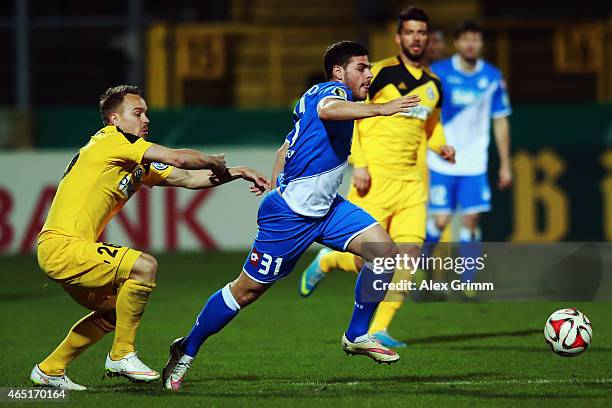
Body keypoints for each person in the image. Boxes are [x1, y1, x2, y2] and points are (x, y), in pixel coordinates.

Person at [162, 41, 422, 391]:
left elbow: (287, 146)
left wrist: (274, 184)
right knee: (246, 292)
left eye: (370, 67)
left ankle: (357, 334)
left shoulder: (315, 97)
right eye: (362, 67)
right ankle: (186, 349)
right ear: (339, 72)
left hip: (328, 209)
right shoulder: (332, 92)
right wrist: (383, 108)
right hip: (292, 217)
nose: (370, 74)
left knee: (385, 253)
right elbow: (331, 110)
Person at [31, 85, 270, 390]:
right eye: (137, 113)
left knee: (115, 310)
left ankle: (50, 369)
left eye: (146, 112)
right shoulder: (111, 141)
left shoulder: (133, 157)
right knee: (144, 266)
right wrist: (213, 160)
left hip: (71, 249)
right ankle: (121, 354)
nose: (146, 119)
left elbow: (186, 178)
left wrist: (236, 171)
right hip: (62, 246)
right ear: (114, 120)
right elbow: (180, 160)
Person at [299, 7, 455, 348]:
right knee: (366, 258)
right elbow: (354, 117)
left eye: (422, 33)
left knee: (409, 257)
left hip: (412, 184)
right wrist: (362, 163)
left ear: (428, 39)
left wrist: (442, 146)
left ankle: (379, 328)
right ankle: (331, 260)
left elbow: (432, 125)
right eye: (410, 32)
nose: (416, 38)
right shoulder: (378, 74)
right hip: (376, 179)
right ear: (399, 37)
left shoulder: (434, 85)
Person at [425, 21, 512, 291]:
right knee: (440, 221)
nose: (471, 44)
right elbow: (425, 114)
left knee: (472, 219)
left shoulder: (493, 77)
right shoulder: (438, 73)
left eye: (476, 39)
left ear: (481, 44)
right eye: (466, 39)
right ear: (457, 43)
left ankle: (468, 280)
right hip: (442, 160)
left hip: (474, 162)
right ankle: (420, 264)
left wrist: (505, 165)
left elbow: (500, 121)